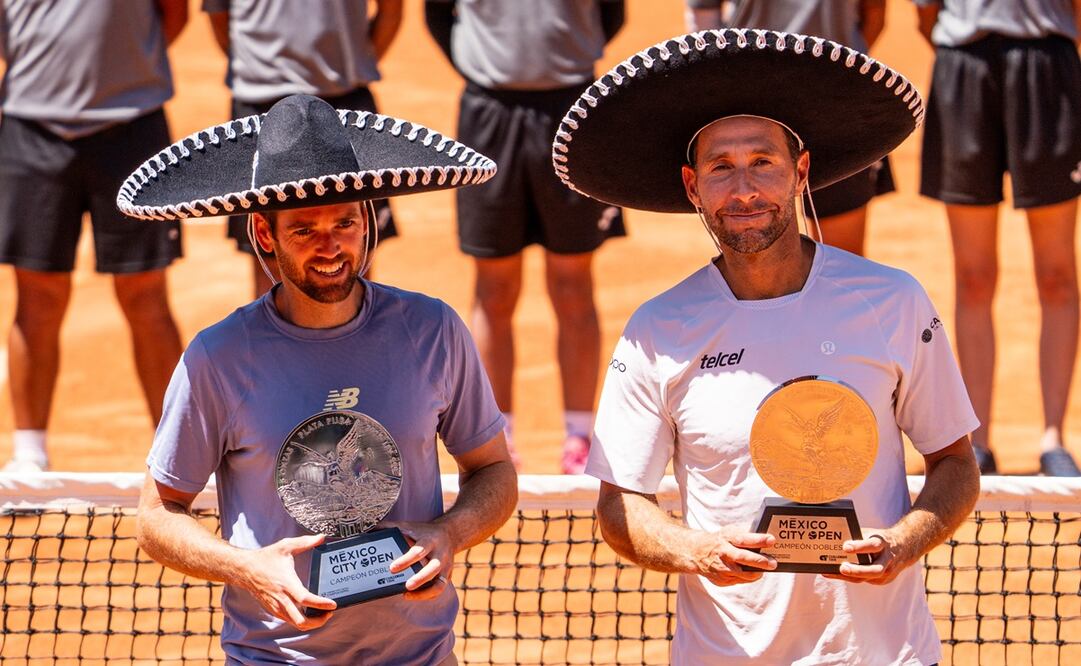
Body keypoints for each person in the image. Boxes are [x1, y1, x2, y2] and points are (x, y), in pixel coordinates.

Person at [551, 30, 981, 663]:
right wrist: (695, 550)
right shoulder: (656, 329)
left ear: (800, 172)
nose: (744, 190)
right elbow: (620, 505)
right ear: (693, 187)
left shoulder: (892, 300)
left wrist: (903, 542)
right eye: (721, 168)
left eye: (763, 162)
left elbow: (955, 462)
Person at [124, 94, 517, 663]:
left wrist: (449, 532)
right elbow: (157, 514)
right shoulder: (218, 357)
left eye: (345, 223)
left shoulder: (432, 329)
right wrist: (248, 567)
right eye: (304, 230)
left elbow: (494, 469)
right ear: (264, 234)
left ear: (369, 220)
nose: (331, 247)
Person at [425, 0, 627, 472]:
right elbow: (437, 16)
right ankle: (498, 437)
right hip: (488, 113)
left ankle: (578, 436)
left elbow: (611, 15)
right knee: (494, 288)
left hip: (574, 109)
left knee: (573, 283)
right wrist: (484, 63)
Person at [0, 0, 188, 472]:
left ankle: (177, 456)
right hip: (31, 127)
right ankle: (29, 457)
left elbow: (175, 14)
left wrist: (127, 71)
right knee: (37, 295)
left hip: (133, 125)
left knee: (145, 294)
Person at [914, 0, 1081, 476]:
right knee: (973, 275)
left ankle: (1054, 439)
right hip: (964, 68)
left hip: (1047, 66)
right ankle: (979, 441)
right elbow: (925, 13)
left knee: (1056, 275)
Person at [203, 0, 403, 298]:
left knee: (353, 256)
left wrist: (349, 65)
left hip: (343, 97)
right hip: (262, 102)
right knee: (271, 258)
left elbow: (391, 10)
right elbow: (220, 17)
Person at [684, 0, 894, 257]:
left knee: (754, 242)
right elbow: (875, 14)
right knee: (839, 257)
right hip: (832, 92)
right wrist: (836, 65)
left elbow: (704, 22)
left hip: (751, 93)